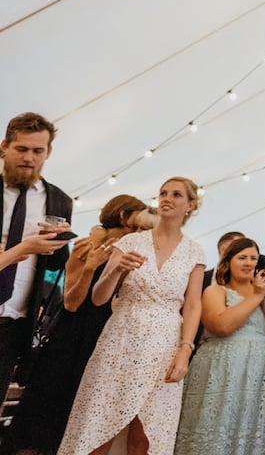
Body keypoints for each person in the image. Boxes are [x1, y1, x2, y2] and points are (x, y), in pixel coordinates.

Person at [58, 176, 206, 455]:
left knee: (144, 435)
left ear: (190, 205)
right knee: (99, 424)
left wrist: (185, 350)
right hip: (122, 337)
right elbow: (99, 297)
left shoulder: (194, 252)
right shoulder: (131, 241)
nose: (167, 198)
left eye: (176, 194)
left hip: (164, 343)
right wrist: (116, 270)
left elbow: (193, 305)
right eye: (163, 193)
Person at [0, 195, 151, 455]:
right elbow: (71, 303)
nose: (145, 232)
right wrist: (90, 269)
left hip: (105, 341)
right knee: (44, 413)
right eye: (141, 224)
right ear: (125, 217)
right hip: (70, 339)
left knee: (76, 417)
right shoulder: (87, 247)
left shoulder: (134, 253)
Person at [175, 237, 265, 455]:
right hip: (220, 370)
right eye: (242, 258)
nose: (249, 263)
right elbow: (221, 325)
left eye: (253, 258)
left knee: (246, 430)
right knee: (213, 427)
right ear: (228, 262)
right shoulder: (215, 291)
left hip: (256, 373)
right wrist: (256, 296)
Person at [0, 112, 74, 396]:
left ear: (49, 152)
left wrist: (60, 241)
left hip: (15, 319)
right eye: (21, 149)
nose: (29, 158)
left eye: (37, 151)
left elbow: (55, 263)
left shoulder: (59, 200)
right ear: (5, 145)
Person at [193, 230, 245, 356]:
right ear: (224, 249)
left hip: (239, 349)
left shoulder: (250, 283)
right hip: (200, 347)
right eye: (240, 247)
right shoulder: (201, 279)